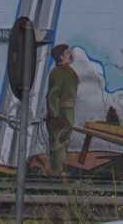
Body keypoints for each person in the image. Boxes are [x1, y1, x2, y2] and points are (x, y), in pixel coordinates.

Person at [43, 43, 80, 176]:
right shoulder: (58, 72)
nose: (70, 54)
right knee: (58, 140)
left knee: (64, 139)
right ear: (60, 57)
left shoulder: (68, 71)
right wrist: (55, 115)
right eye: (67, 53)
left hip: (68, 110)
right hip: (61, 111)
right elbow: (53, 95)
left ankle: (60, 169)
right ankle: (56, 171)